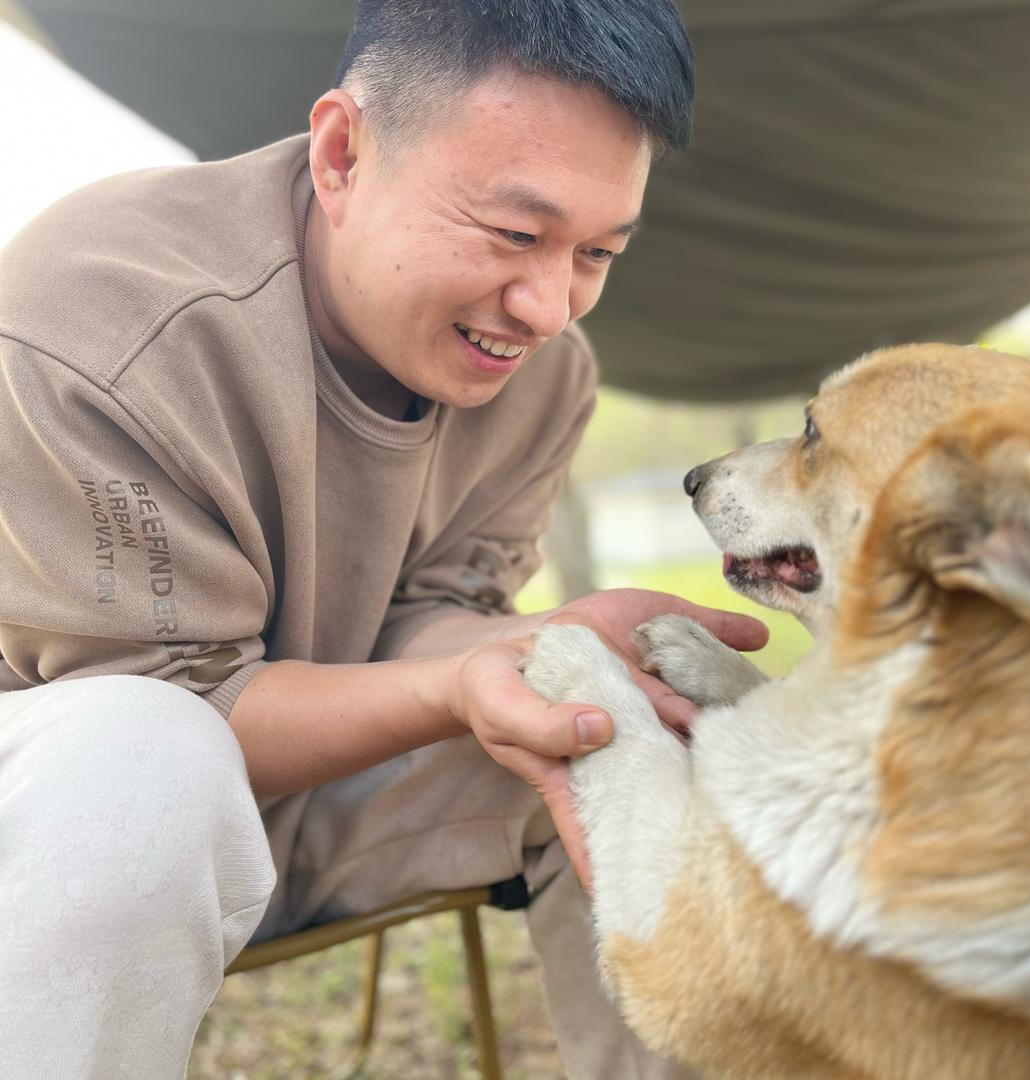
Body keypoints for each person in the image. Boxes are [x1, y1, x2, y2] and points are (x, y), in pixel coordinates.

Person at [0, 2, 766, 1076]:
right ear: (343, 153)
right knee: (146, 758)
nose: (547, 306)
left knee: (627, 705)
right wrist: (454, 690)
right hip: (57, 831)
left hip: (313, 804)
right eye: (514, 233)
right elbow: (186, 714)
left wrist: (538, 647)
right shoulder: (91, 324)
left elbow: (433, 617)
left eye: (597, 250)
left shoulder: (546, 376)